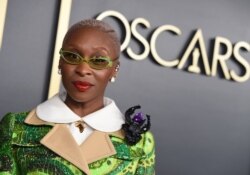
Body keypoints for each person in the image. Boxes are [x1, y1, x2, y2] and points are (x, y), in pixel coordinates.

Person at [0, 19, 155, 175]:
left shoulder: (141, 143)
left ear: (115, 69)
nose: (83, 69)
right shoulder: (15, 127)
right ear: (60, 62)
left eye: (99, 60)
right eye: (72, 57)